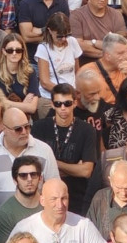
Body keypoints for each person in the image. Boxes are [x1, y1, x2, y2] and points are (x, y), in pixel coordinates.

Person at [0, 107, 61, 213]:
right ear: (4, 129)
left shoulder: (44, 150)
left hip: (35, 221)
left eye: (27, 127)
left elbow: (55, 188)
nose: (24, 132)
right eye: (18, 129)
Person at [31, 84, 98, 215]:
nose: (63, 108)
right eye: (58, 103)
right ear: (52, 104)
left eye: (67, 103)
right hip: (45, 195)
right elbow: (36, 166)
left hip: (76, 195)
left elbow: (86, 171)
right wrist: (72, 168)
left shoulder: (87, 130)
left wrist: (53, 164)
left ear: (74, 103)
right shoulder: (39, 127)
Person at [9, 178, 106, 243]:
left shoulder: (83, 226)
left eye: (64, 198)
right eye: (53, 199)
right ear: (42, 201)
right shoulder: (25, 228)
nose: (60, 205)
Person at [0, 35, 40, 117]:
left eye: (18, 50)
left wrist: (4, 102)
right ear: (4, 51)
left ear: (23, 52)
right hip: (0, 119)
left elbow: (32, 108)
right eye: (10, 50)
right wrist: (22, 105)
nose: (14, 53)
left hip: (23, 120)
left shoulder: (30, 71)